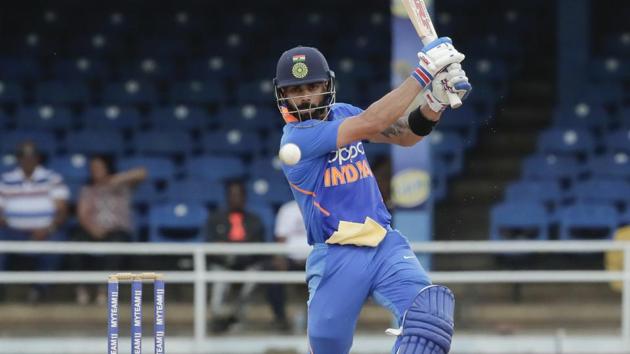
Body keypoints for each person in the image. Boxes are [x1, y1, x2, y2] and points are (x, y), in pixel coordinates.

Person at [273, 39, 471, 353]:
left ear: (327, 84)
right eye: (295, 91)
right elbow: (373, 122)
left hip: (383, 245)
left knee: (430, 318)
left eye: (311, 86)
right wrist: (424, 73)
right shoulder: (299, 137)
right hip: (336, 255)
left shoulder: (344, 113)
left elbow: (405, 135)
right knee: (327, 347)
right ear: (283, 95)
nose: (305, 97)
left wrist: (436, 102)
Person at [0, 141, 69, 302]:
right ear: (18, 159)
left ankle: (40, 290)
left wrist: (49, 229)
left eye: (31, 157)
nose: (27, 161)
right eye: (23, 157)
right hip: (12, 230)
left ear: (37, 158)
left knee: (57, 241)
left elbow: (62, 211)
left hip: (45, 231)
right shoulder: (5, 180)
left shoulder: (53, 178)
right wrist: (6, 222)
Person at [73, 155, 146, 305]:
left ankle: (104, 290)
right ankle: (82, 289)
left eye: (99, 167)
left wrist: (115, 180)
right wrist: (94, 229)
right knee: (76, 241)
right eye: (92, 168)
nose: (95, 171)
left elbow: (142, 173)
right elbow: (82, 214)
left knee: (116, 243)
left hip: (117, 231)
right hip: (92, 230)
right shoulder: (88, 189)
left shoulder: (122, 186)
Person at [206, 179, 266, 333]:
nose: (235, 198)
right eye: (232, 195)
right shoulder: (215, 218)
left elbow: (259, 247)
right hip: (222, 263)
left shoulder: (255, 220)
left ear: (245, 198)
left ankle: (236, 317)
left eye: (239, 195)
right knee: (219, 279)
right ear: (227, 197)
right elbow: (210, 244)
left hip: (247, 263)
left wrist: (233, 249)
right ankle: (216, 318)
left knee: (254, 277)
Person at [266, 200, 310, 332]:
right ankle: (281, 319)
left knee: (338, 273)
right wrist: (280, 258)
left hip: (316, 261)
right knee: (271, 272)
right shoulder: (288, 209)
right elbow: (281, 239)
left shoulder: (323, 206)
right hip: (290, 260)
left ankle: (328, 322)